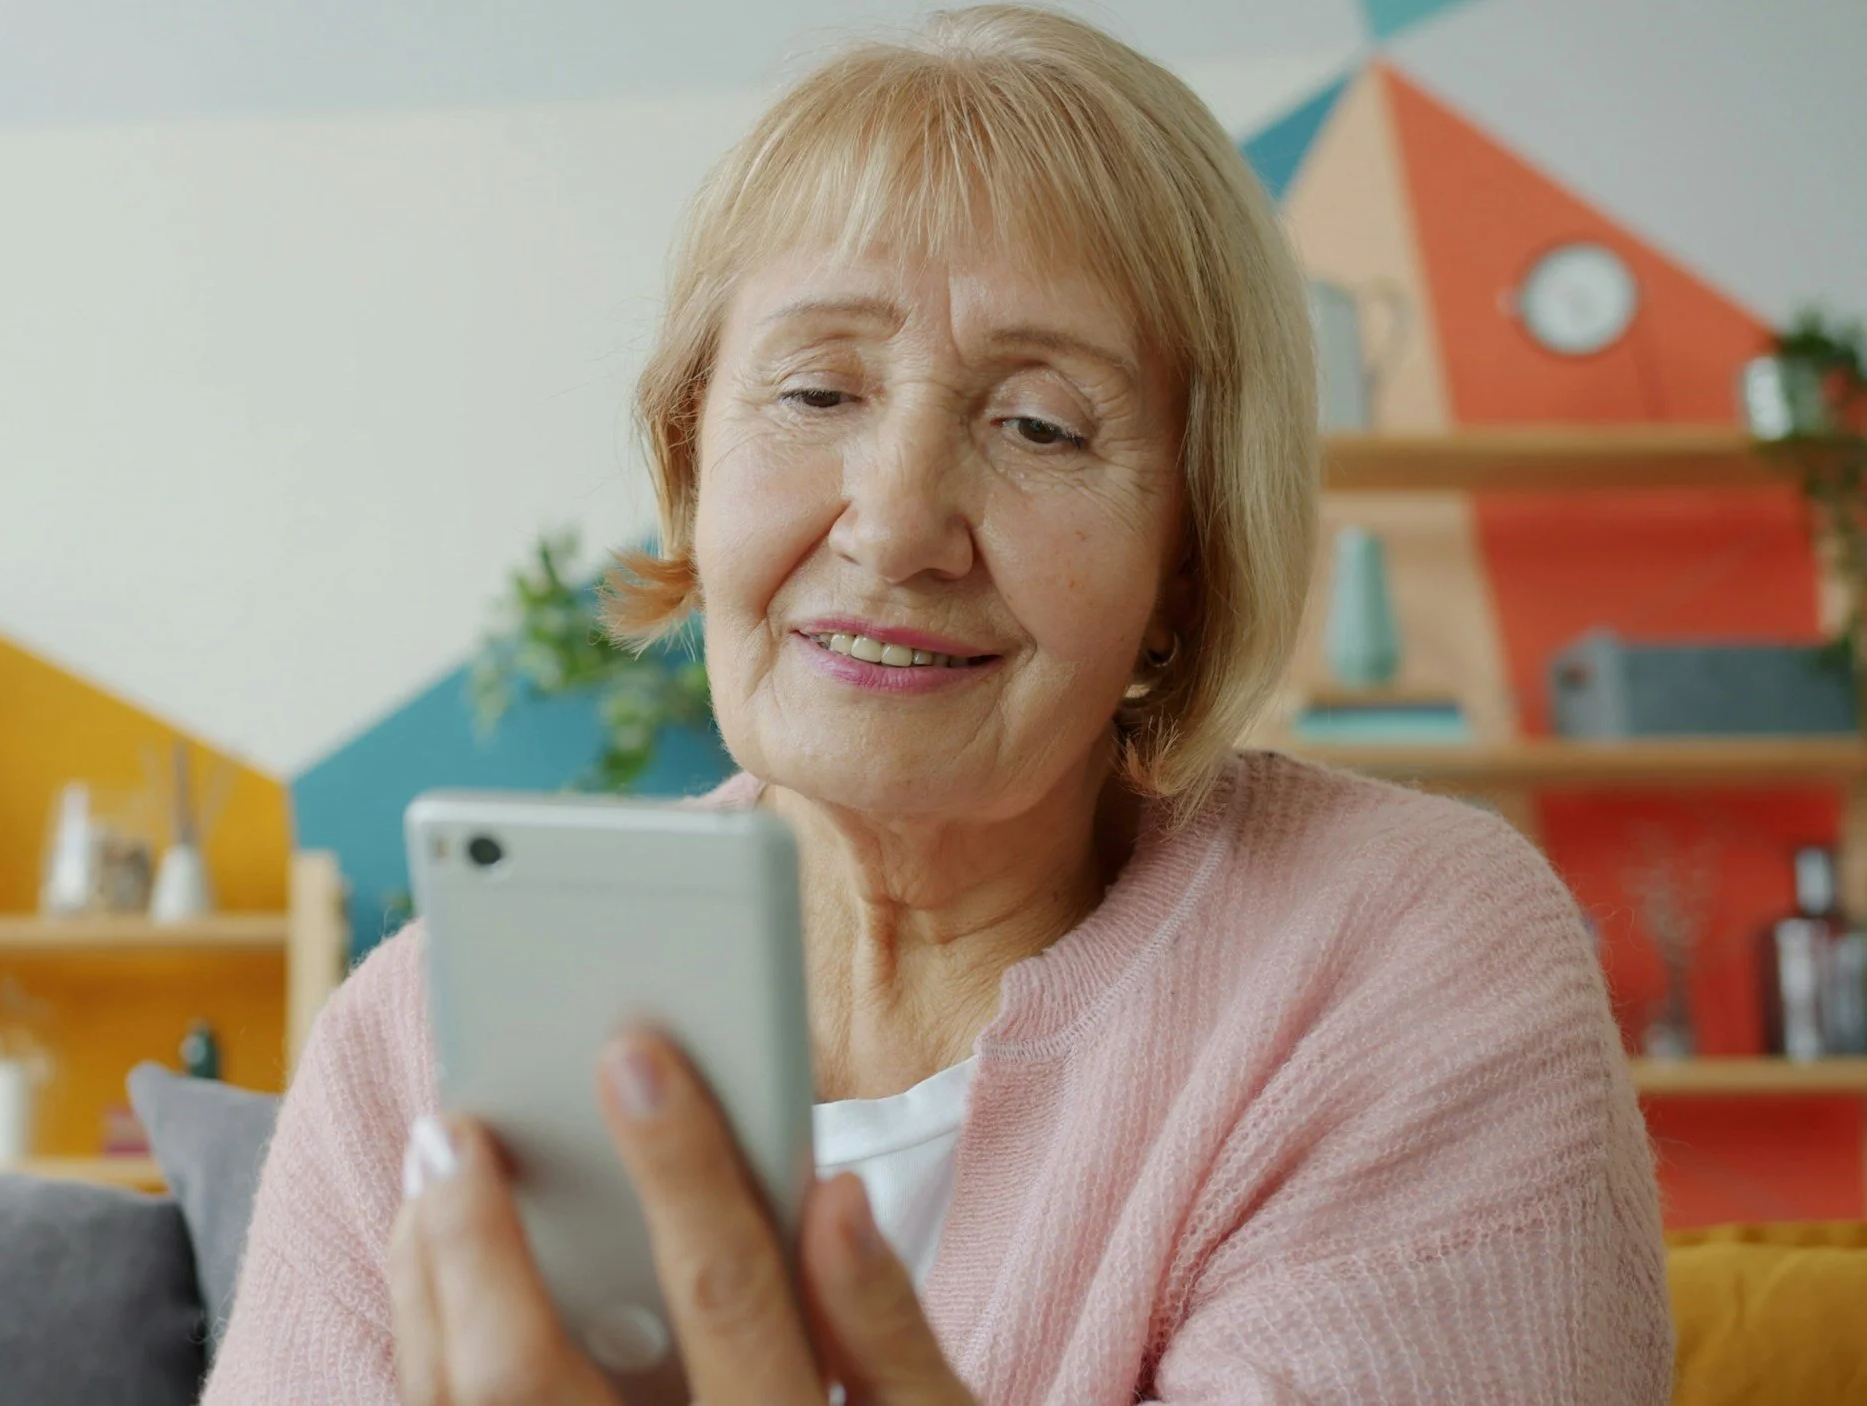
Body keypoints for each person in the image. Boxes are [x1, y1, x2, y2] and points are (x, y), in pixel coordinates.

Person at [204, 7, 1671, 1402]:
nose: (897, 520)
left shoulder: (1399, 962)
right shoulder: (412, 1044)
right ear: (689, 470)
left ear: (1190, 553)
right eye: (817, 393)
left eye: (1041, 423)